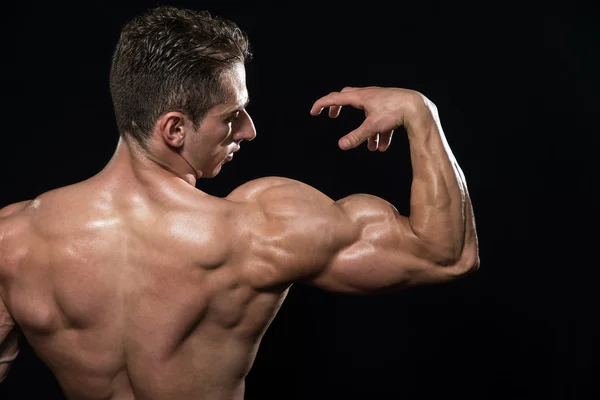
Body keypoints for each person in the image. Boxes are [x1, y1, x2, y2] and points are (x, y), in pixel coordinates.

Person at [0, 5, 479, 400]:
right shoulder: (258, 230)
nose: (248, 130)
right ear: (174, 129)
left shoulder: (14, 239)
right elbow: (448, 256)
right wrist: (420, 111)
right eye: (231, 117)